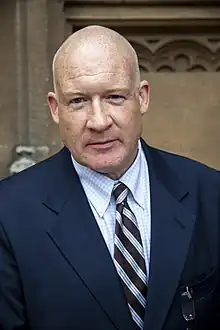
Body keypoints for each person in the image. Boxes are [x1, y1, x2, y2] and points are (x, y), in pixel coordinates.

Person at [0, 25, 219, 330]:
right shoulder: (8, 214)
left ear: (142, 98)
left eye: (115, 97)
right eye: (78, 101)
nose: (99, 121)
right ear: (55, 108)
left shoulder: (210, 194)